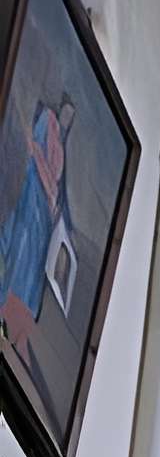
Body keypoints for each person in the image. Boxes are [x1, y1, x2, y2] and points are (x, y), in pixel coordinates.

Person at [0, 93, 76, 350]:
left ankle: (21, 303)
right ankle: (9, 293)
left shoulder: (62, 142)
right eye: (67, 113)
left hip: (45, 200)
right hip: (35, 190)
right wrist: (50, 192)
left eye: (71, 117)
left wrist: (55, 201)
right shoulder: (49, 120)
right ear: (61, 108)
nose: (68, 119)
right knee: (22, 240)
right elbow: (36, 151)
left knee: (35, 253)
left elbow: (57, 180)